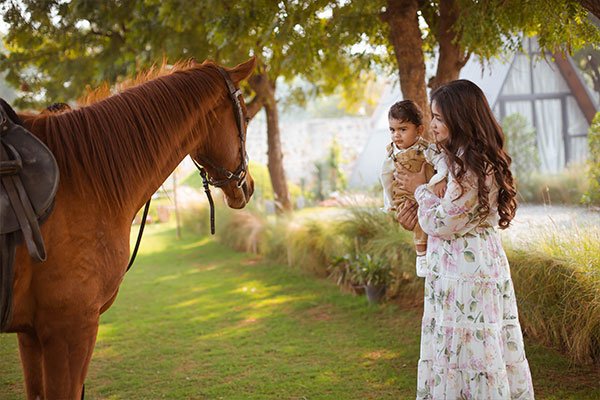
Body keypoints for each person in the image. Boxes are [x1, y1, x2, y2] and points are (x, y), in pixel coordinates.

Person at [395, 80, 534, 399]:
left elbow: (442, 221)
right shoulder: (455, 160)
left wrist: (421, 188)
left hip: (469, 278)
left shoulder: (476, 167)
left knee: (474, 354)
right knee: (454, 353)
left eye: (440, 118)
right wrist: (424, 199)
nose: (433, 124)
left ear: (462, 118)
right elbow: (437, 216)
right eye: (432, 116)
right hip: (453, 274)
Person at [379, 100, 448, 276]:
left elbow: (442, 162)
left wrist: (440, 178)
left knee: (423, 218)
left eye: (403, 129)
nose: (396, 135)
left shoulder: (426, 149)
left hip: (426, 192)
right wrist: (389, 202)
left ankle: (422, 256)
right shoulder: (392, 154)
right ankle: (421, 256)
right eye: (392, 130)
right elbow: (385, 177)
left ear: (419, 130)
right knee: (413, 218)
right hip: (403, 197)